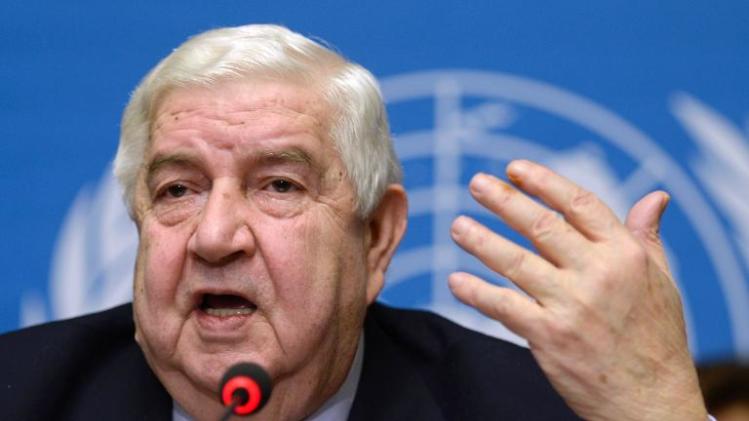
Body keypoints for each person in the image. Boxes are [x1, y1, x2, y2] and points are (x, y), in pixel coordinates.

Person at [0, 24, 709, 420]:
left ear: (375, 239)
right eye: (177, 189)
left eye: (278, 184)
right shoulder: (19, 390)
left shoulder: (535, 411)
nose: (214, 236)